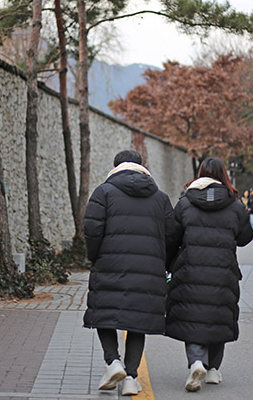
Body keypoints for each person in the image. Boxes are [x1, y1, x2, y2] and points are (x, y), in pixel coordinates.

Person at [84, 150, 175, 395]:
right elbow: (172, 234)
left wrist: (95, 257)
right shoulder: (160, 198)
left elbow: (92, 229)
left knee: (104, 313)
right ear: (141, 167)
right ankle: (132, 377)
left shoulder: (103, 192)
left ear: (116, 167)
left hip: (109, 265)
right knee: (138, 321)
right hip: (148, 270)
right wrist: (163, 262)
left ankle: (113, 362)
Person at [165, 157, 253, 392]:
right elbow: (246, 238)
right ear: (224, 175)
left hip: (190, 269)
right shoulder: (235, 205)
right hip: (223, 270)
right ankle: (213, 369)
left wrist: (168, 264)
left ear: (200, 173)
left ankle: (196, 361)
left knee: (192, 316)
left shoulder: (185, 204)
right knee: (218, 315)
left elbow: (172, 237)